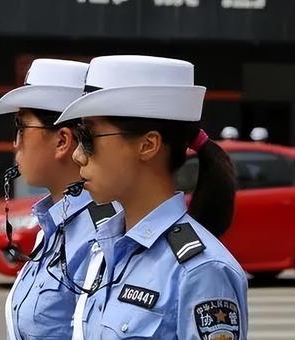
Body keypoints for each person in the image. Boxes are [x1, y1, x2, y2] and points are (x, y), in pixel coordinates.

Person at [56, 55, 248, 339]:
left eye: (89, 137)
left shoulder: (201, 271)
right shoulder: (105, 249)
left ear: (147, 145)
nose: (77, 154)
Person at [0, 58, 120, 340]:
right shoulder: (53, 226)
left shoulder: (102, 235)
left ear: (62, 141)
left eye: (21, 128)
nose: (15, 143)